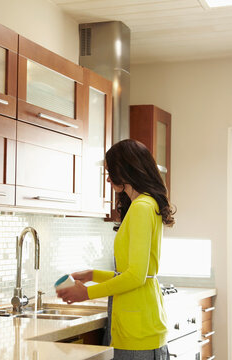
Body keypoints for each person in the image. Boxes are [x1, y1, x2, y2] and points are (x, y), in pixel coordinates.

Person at [56, 139, 176, 360]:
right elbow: (137, 273)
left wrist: (87, 293)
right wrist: (93, 275)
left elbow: (136, 277)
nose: (109, 179)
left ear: (126, 171)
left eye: (111, 172)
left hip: (137, 333)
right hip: (142, 325)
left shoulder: (141, 207)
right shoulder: (146, 204)